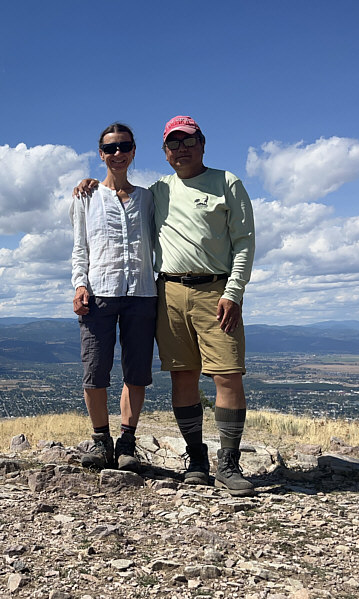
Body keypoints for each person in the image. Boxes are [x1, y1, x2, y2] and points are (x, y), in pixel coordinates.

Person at [75, 115, 256, 496]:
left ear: (202, 143)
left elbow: (244, 242)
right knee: (182, 375)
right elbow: (91, 230)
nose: (181, 149)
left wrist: (234, 291)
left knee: (226, 375)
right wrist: (89, 184)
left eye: (188, 141)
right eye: (173, 144)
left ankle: (228, 463)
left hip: (210, 290)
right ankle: (196, 458)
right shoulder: (153, 191)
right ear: (164, 151)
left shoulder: (220, 184)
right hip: (168, 291)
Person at [71, 122, 157, 472]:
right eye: (110, 148)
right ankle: (100, 440)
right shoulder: (86, 197)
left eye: (124, 147)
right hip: (99, 293)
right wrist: (79, 284)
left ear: (134, 151)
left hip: (142, 292)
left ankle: (127, 443)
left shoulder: (149, 198)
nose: (117, 153)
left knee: (136, 373)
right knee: (95, 371)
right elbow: (80, 247)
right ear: (100, 153)